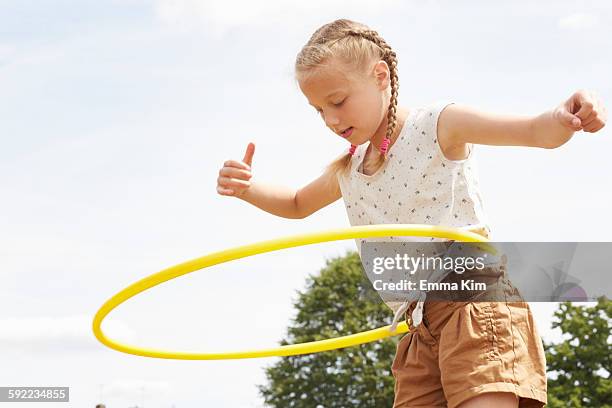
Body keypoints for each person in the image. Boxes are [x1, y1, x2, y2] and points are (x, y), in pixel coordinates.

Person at [216, 18, 606, 408]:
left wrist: (563, 118)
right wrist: (249, 188)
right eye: (318, 110)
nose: (331, 119)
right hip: (419, 327)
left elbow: (534, 131)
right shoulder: (350, 168)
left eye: (337, 101)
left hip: (471, 300)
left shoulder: (437, 125)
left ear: (380, 76)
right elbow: (298, 203)